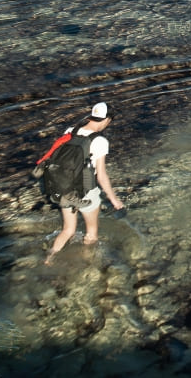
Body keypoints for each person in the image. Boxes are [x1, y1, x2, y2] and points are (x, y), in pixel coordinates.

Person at [45, 102, 125, 264]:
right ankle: (87, 266)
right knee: (91, 234)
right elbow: (101, 176)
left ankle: (48, 259)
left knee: (68, 230)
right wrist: (114, 199)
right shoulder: (100, 141)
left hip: (64, 188)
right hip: (86, 192)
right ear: (106, 120)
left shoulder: (69, 131)